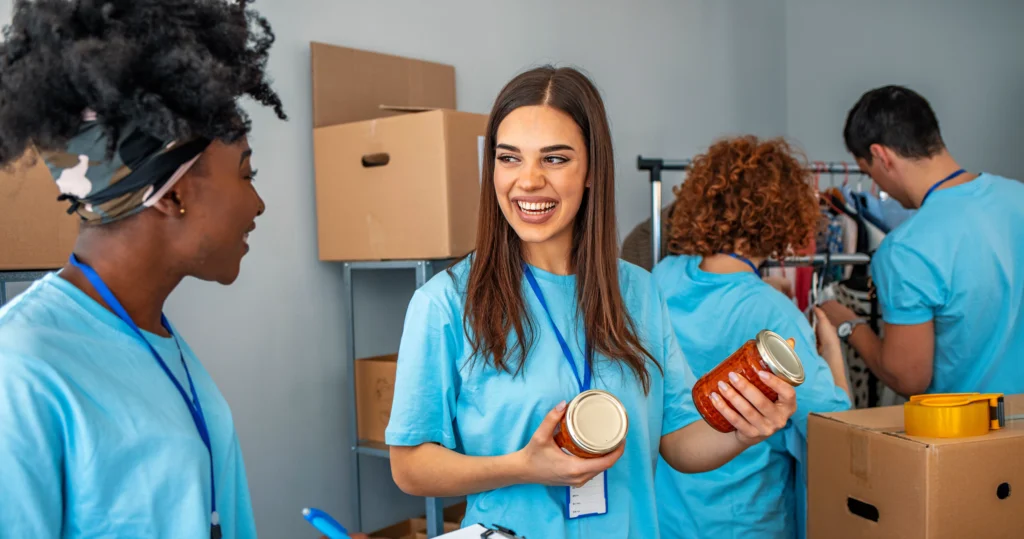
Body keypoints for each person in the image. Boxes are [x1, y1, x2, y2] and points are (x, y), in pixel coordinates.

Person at [0, 2, 380, 538]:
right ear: (174, 194)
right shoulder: (21, 372)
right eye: (246, 173)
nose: (258, 205)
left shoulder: (151, 332)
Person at [384, 66, 798, 539]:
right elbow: (409, 466)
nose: (529, 181)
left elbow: (679, 443)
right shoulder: (445, 304)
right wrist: (524, 466)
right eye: (509, 158)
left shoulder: (639, 293)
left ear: (591, 172)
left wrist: (746, 429)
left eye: (555, 159)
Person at [650, 136, 852, 539]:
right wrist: (833, 352)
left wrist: (760, 288)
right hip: (743, 520)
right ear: (785, 217)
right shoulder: (773, 313)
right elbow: (835, 427)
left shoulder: (664, 274)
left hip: (669, 514)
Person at [819, 85, 1024, 396]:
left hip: (969, 434)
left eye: (869, 173)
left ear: (881, 156)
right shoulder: (1018, 197)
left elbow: (908, 377)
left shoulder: (905, 249)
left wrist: (850, 325)